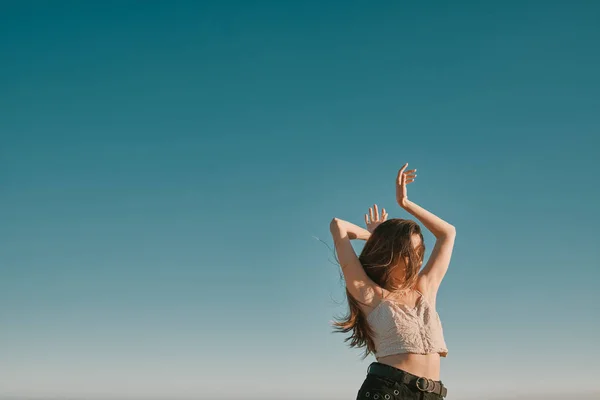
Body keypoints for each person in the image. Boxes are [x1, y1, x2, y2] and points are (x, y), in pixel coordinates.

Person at [329, 163, 456, 399]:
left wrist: (405, 204)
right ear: (391, 252)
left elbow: (447, 233)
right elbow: (338, 226)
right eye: (408, 252)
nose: (416, 260)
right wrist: (377, 236)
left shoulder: (425, 289)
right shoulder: (370, 295)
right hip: (389, 391)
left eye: (418, 253)